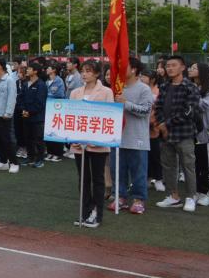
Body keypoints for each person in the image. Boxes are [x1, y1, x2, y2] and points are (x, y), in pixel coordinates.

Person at [69, 60, 115, 228]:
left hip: (98, 143)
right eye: (83, 71)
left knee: (98, 178)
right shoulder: (75, 92)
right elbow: (71, 116)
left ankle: (97, 213)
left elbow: (109, 116)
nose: (84, 74)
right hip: (79, 143)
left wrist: (98, 138)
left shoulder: (106, 92)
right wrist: (73, 138)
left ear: (96, 74)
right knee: (83, 178)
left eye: (88, 71)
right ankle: (85, 211)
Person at [154, 55, 202, 211]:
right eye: (168, 65)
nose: (169, 68)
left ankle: (191, 197)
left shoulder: (190, 87)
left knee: (188, 166)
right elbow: (158, 107)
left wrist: (166, 124)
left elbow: (189, 112)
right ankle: (173, 196)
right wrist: (161, 124)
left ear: (182, 68)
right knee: (168, 166)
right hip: (166, 134)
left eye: (173, 65)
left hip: (184, 133)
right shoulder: (164, 86)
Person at [112, 57, 154, 214]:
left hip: (137, 138)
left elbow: (145, 111)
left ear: (134, 69)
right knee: (118, 170)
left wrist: (126, 103)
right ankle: (120, 197)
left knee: (138, 172)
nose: (120, 69)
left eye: (124, 66)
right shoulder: (117, 88)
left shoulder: (144, 89)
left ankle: (138, 199)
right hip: (117, 137)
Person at [188, 62, 209, 207]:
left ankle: (205, 193)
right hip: (192, 130)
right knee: (195, 163)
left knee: (204, 163)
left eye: (194, 68)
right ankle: (197, 191)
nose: (190, 70)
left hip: (205, 132)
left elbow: (204, 105)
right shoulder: (193, 87)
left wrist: (190, 96)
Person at [21, 62, 47, 168]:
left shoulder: (41, 85)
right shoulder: (25, 83)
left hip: (37, 117)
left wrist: (29, 111)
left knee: (38, 139)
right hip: (25, 116)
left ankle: (40, 159)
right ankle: (30, 157)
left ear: (35, 71)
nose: (27, 70)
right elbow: (20, 98)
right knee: (28, 138)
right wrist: (23, 109)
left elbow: (40, 103)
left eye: (29, 69)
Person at [44, 63, 66, 161]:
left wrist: (48, 96)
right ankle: (50, 152)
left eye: (48, 68)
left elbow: (60, 94)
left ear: (54, 70)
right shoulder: (47, 81)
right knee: (49, 131)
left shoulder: (59, 81)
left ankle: (58, 153)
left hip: (57, 109)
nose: (46, 69)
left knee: (57, 130)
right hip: (48, 109)